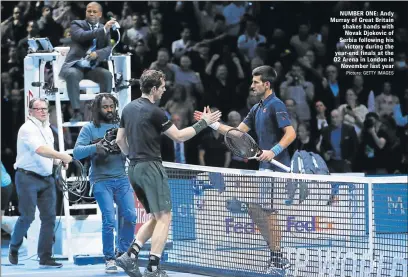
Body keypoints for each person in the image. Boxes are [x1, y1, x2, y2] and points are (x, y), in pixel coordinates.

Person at [115, 69, 221, 277]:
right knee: (165, 217)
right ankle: (153, 268)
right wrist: (204, 123)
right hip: (151, 167)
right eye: (162, 87)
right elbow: (180, 136)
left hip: (133, 168)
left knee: (156, 216)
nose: (164, 90)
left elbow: (120, 140)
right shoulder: (156, 112)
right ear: (153, 88)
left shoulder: (127, 109)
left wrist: (133, 157)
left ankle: (130, 255)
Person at [194, 65, 296, 272]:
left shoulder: (276, 105)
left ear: (267, 84)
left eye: (256, 82)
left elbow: (291, 133)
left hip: (276, 167)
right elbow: (236, 133)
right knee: (254, 208)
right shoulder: (256, 108)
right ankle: (276, 255)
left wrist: (273, 151)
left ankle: (277, 258)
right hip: (264, 167)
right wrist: (211, 124)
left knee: (269, 212)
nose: (252, 85)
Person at [73, 93, 136, 273]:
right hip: (101, 180)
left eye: (112, 106)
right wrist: (96, 147)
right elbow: (77, 153)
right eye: (105, 107)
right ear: (97, 109)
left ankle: (123, 253)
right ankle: (109, 258)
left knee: (131, 216)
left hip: (122, 178)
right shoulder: (89, 128)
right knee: (109, 220)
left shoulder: (121, 125)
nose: (109, 110)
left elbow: (132, 149)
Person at [9, 98, 73, 267]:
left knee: (49, 218)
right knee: (27, 217)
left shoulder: (47, 129)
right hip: (27, 178)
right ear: (30, 111)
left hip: (46, 178)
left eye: (45, 109)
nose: (43, 112)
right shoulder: (27, 128)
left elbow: (47, 155)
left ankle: (45, 256)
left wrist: (58, 162)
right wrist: (62, 156)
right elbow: (40, 150)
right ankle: (14, 246)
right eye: (39, 109)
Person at [59, 2, 117, 121]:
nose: (91, 13)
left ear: (100, 14)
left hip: (91, 68)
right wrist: (103, 30)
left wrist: (98, 54)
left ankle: (103, 112)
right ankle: (76, 112)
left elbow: (108, 48)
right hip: (75, 66)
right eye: (89, 11)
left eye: (94, 12)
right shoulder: (77, 24)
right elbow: (82, 36)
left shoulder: (103, 28)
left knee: (107, 75)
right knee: (72, 74)